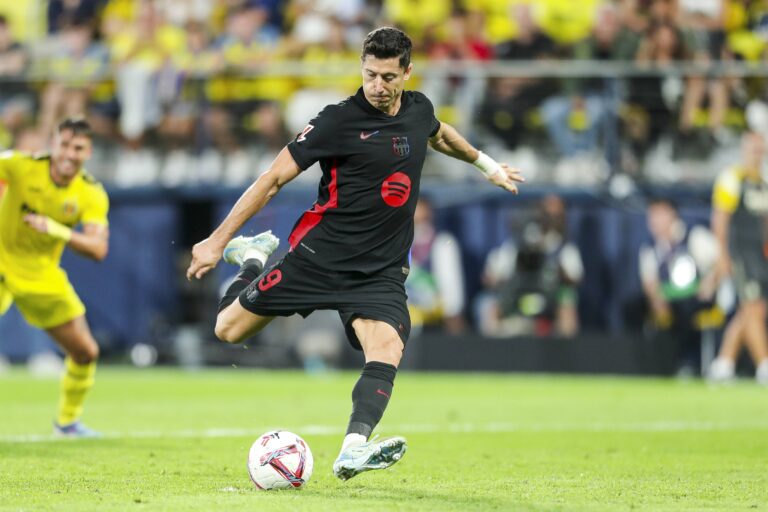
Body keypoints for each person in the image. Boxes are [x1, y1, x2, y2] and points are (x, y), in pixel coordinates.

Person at [186, 27, 523, 481]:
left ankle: (352, 449)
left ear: (407, 72)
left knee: (387, 347)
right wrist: (217, 240)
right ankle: (251, 259)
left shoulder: (419, 108)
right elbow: (271, 179)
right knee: (227, 330)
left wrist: (487, 166)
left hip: (379, 271)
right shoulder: (337, 120)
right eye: (370, 75)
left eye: (388, 77)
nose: (378, 86)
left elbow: (440, 135)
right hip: (318, 258)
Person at [0, 118, 110, 435]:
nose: (69, 154)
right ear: (53, 144)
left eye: (78, 148)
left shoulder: (90, 193)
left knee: (85, 352)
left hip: (40, 274)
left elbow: (98, 248)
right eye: (64, 145)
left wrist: (58, 230)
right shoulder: (22, 165)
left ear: (87, 152)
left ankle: (68, 423)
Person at [708, 131, 768, 384]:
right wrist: (722, 255)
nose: (756, 152)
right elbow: (720, 218)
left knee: (754, 310)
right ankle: (764, 364)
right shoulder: (732, 178)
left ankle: (723, 363)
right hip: (741, 252)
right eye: (752, 148)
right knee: (753, 308)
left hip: (760, 254)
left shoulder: (763, 181)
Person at [638, 197, 720, 376]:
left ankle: (689, 362)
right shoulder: (650, 248)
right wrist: (656, 299)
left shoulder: (694, 236)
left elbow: (721, 263)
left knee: (686, 308)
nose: (654, 221)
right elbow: (649, 283)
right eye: (651, 216)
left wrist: (709, 283)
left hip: (699, 298)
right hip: (671, 300)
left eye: (659, 215)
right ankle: (656, 365)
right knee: (639, 307)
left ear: (672, 214)